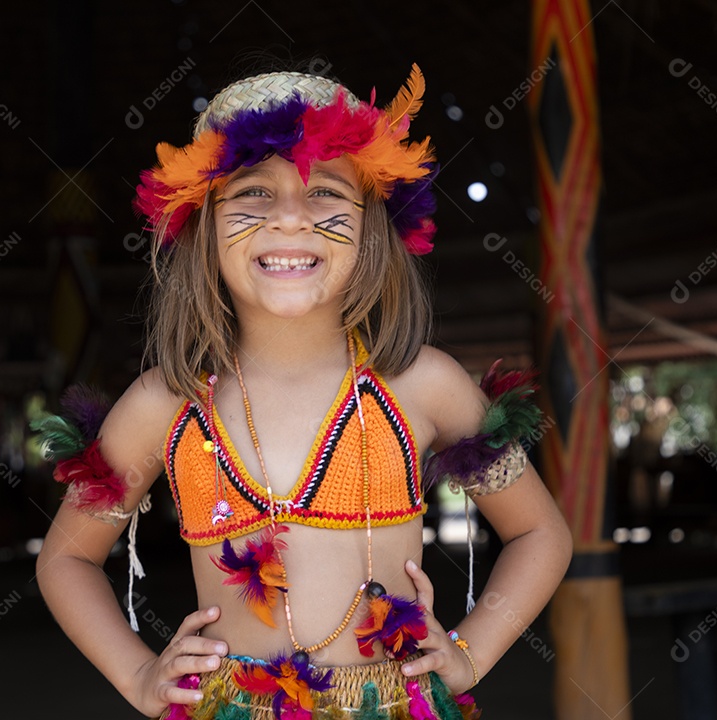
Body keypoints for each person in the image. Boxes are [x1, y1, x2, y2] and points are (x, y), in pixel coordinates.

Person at [34, 62, 573, 719]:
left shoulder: (422, 385)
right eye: (253, 193)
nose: (290, 219)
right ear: (203, 226)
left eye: (324, 192)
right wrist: (139, 675)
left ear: (372, 226)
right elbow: (66, 560)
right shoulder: (166, 405)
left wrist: (470, 654)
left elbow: (539, 532)